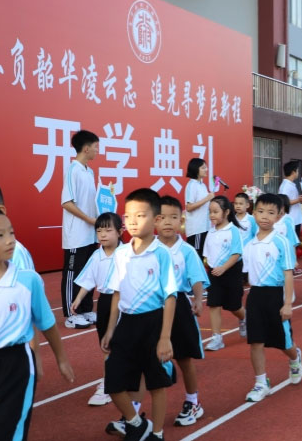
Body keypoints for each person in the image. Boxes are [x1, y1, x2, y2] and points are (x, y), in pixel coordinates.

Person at [0, 207, 75, 441]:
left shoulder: (28, 281)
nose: (10, 240)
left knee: (7, 430)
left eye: (11, 233)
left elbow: (47, 324)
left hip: (14, 365)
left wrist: (62, 359)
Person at [101, 188, 177, 441]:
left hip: (154, 323)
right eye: (128, 215)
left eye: (140, 215)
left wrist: (165, 337)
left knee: (156, 383)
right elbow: (116, 293)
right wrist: (111, 328)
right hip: (126, 324)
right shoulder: (121, 253)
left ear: (155, 220)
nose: (132, 221)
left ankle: (157, 432)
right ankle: (136, 424)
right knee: (113, 382)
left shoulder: (161, 254)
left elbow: (170, 296)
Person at [241, 193, 302, 402]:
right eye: (260, 211)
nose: (264, 216)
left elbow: (288, 273)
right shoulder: (249, 244)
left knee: (283, 342)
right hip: (256, 295)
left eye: (270, 213)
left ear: (279, 216)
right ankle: (261, 382)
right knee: (255, 341)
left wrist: (287, 304)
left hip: (276, 295)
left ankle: (295, 359)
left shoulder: (281, 242)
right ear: (253, 212)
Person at [156, 196, 210, 427]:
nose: (168, 222)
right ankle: (136, 408)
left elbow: (196, 277)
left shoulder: (186, 250)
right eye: (163, 217)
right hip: (153, 306)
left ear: (182, 220)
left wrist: (198, 300)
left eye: (174, 217)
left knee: (184, 358)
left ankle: (193, 401)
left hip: (178, 304)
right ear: (154, 221)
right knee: (146, 357)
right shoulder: (148, 248)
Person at [71, 212, 123, 407]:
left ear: (119, 232)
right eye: (99, 230)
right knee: (106, 343)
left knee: (123, 341)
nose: (103, 234)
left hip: (125, 302)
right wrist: (78, 299)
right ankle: (108, 381)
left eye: (108, 230)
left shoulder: (126, 253)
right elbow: (88, 280)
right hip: (104, 302)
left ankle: (115, 379)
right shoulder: (96, 255)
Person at [61, 129, 100, 329]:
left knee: (88, 273)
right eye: (95, 147)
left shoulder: (89, 171)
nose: (97, 151)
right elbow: (67, 202)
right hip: (75, 235)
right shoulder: (73, 169)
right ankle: (70, 313)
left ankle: (85, 309)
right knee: (72, 273)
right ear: (86, 148)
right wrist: (88, 219)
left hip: (90, 234)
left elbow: (91, 202)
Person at [203, 196, 245, 351]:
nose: (212, 215)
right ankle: (216, 338)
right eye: (210, 212)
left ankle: (244, 317)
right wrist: (208, 268)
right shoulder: (210, 232)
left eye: (215, 212)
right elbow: (207, 255)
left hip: (231, 271)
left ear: (226, 212)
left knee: (233, 306)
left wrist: (224, 268)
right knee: (213, 304)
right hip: (214, 273)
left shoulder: (233, 230)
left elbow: (236, 254)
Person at [184, 158, 214, 256]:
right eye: (203, 167)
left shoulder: (202, 185)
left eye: (206, 167)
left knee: (203, 256)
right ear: (196, 169)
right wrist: (207, 198)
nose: (206, 170)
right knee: (197, 257)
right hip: (197, 229)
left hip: (205, 227)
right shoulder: (192, 185)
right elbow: (189, 207)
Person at [278, 161, 302, 240]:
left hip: (295, 218)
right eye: (297, 171)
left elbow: (292, 199)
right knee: (291, 243)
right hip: (291, 219)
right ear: (293, 172)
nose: (298, 173)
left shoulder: (291, 184)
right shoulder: (286, 185)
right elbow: (283, 201)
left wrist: (300, 200)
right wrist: (298, 200)